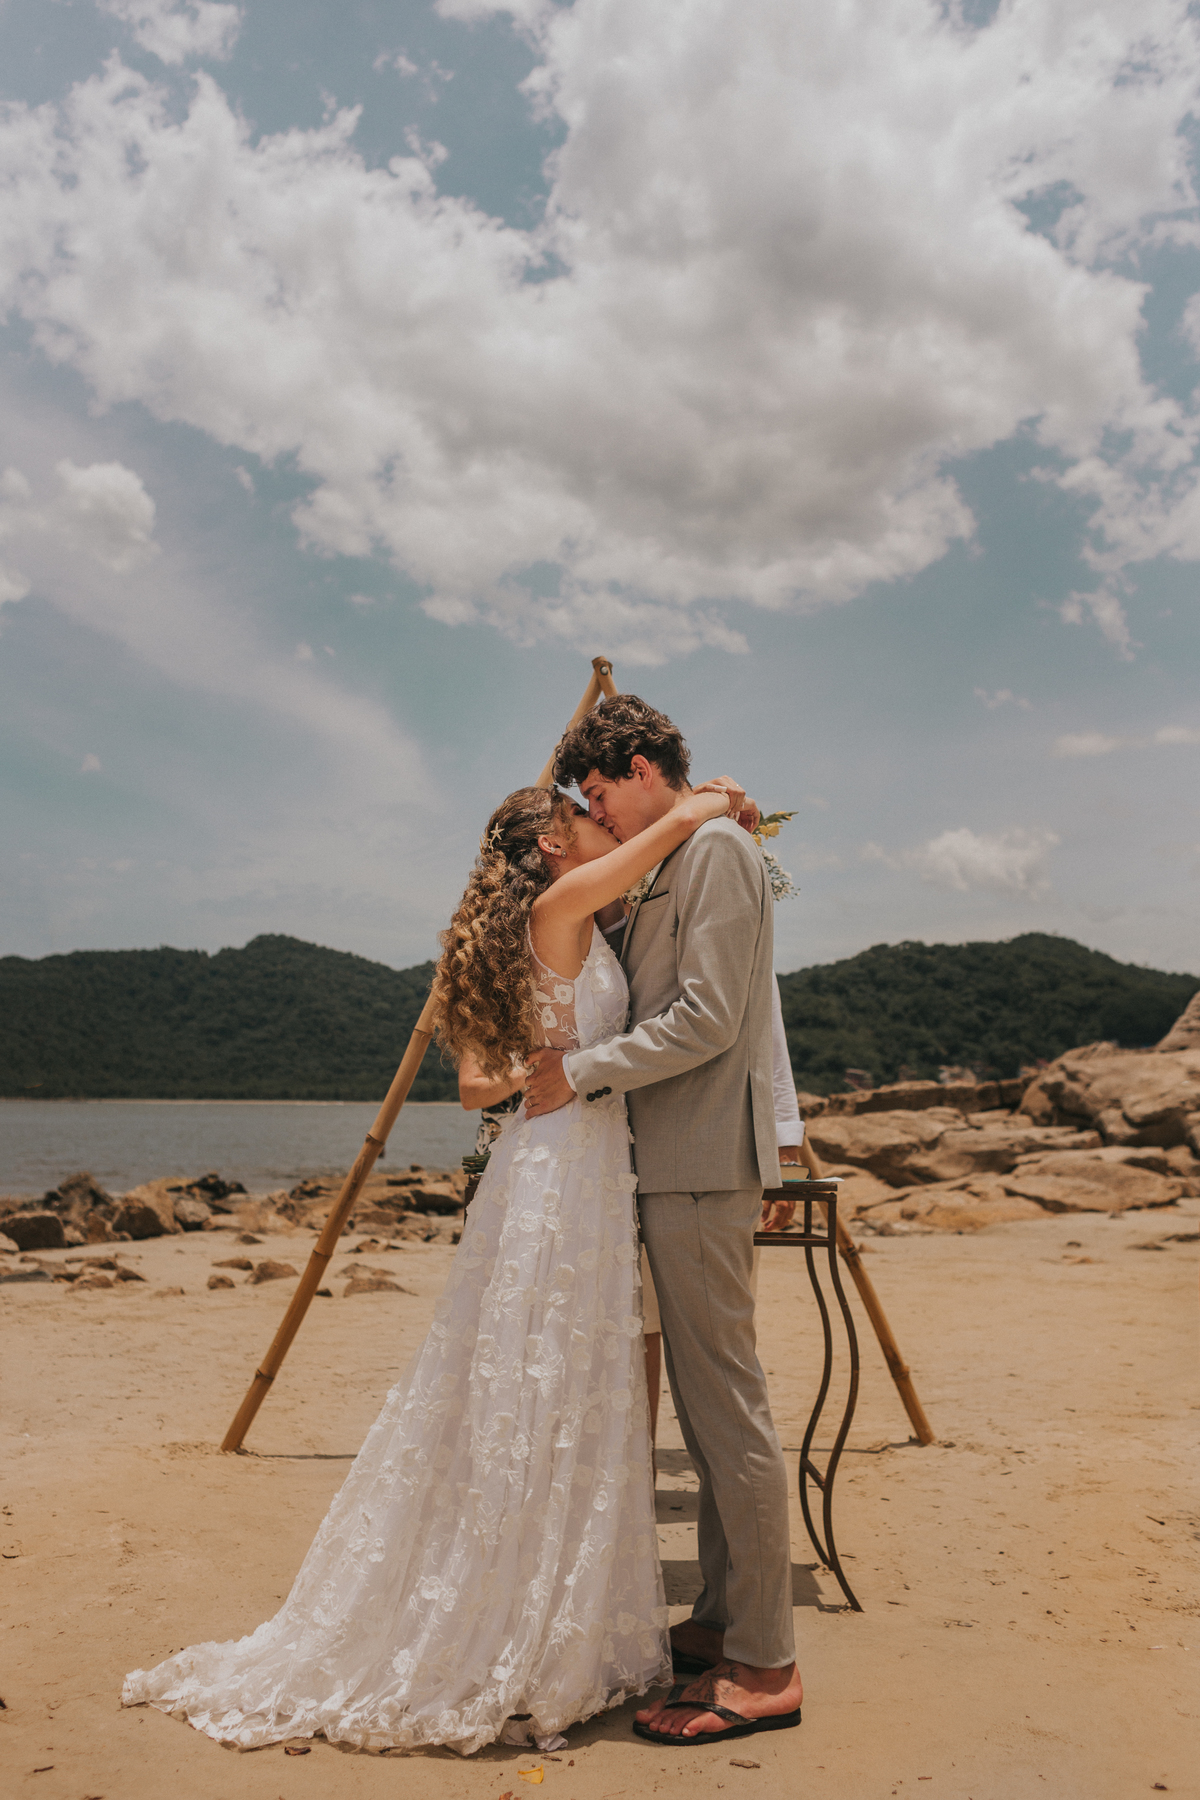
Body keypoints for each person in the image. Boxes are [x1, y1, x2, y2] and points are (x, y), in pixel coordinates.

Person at [122, 775, 741, 1757]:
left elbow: (477, 1085)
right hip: (559, 1175)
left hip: (567, 1164)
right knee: (545, 1383)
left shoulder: (564, 914)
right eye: (581, 813)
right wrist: (704, 805)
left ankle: (554, 1617)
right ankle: (524, 1629)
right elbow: (666, 833)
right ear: (548, 847)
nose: (597, 820)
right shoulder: (558, 900)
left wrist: (551, 1068)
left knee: (562, 1382)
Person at [524, 695, 805, 1747]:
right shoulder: (675, 856)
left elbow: (707, 1017)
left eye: (599, 793)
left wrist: (581, 1074)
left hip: (698, 1168)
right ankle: (727, 1615)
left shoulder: (720, 855)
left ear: (642, 767)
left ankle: (767, 1663)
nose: (598, 810)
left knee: (726, 1408)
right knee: (703, 1402)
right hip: (668, 1167)